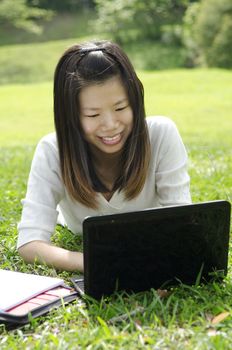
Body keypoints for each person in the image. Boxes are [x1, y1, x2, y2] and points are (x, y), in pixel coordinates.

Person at [17, 40, 191, 273]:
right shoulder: (53, 150)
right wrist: (102, 263)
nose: (110, 125)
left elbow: (183, 226)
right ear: (70, 116)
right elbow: (30, 244)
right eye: (93, 114)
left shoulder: (160, 134)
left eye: (120, 108)